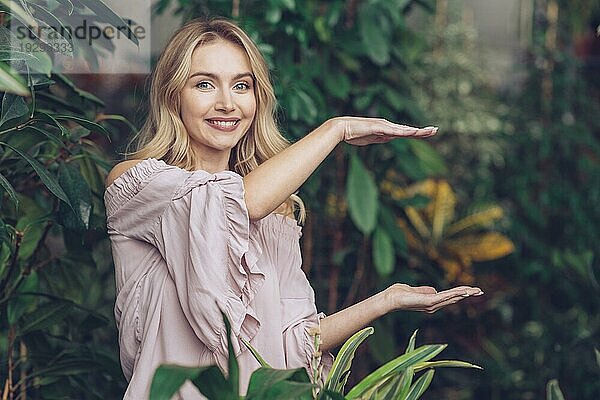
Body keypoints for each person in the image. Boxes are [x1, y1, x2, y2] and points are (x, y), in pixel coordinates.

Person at [103, 17, 483, 399]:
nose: (227, 103)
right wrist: (337, 129)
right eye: (204, 84)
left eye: (241, 85)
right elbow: (236, 203)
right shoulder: (140, 185)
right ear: (173, 96)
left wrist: (387, 300)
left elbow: (294, 339)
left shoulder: (276, 213)